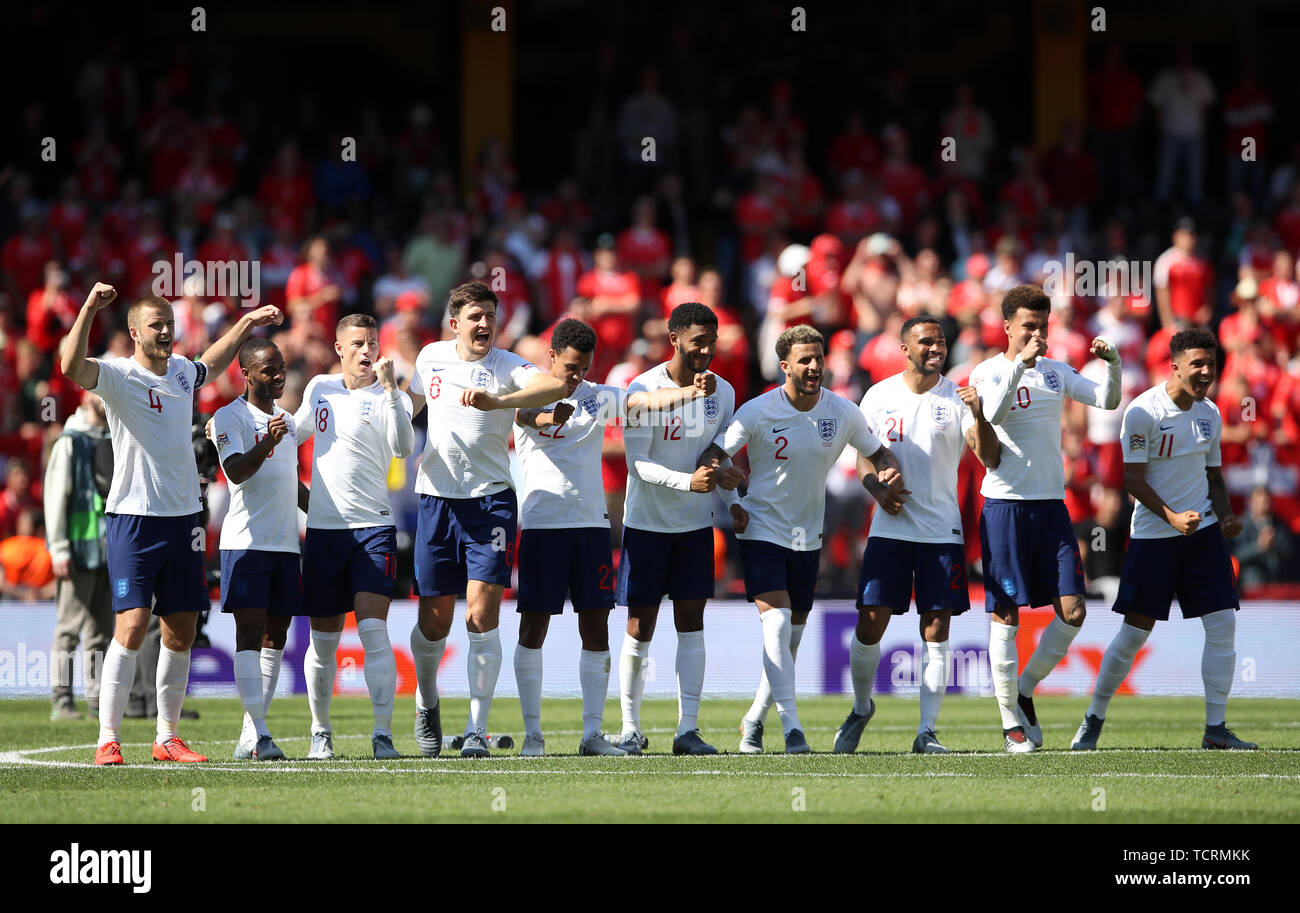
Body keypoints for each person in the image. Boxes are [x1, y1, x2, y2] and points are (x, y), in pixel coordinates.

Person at [60, 282, 282, 765]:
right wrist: (89, 309)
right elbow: (70, 366)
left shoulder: (182, 373)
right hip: (133, 519)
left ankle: (166, 737)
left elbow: (213, 363)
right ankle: (107, 738)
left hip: (183, 519)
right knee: (133, 625)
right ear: (135, 333)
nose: (165, 331)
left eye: (169, 324)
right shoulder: (117, 375)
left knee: (180, 628)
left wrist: (245, 324)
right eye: (155, 326)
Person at [511, 317, 715, 757]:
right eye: (569, 367)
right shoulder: (530, 394)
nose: (576, 376)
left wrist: (690, 394)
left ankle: (590, 735)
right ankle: (532, 736)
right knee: (533, 626)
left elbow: (646, 401)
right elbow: (526, 416)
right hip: (544, 525)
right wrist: (549, 412)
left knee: (597, 628)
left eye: (584, 367)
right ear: (552, 358)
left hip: (591, 527)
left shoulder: (599, 398)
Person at [701, 325, 901, 753]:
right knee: (775, 625)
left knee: (788, 640)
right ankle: (792, 729)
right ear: (784, 365)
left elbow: (876, 450)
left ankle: (753, 719)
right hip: (760, 529)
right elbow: (714, 458)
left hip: (808, 537)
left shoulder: (842, 412)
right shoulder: (757, 411)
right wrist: (733, 499)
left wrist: (884, 472)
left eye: (818, 358)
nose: (814, 366)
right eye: (804, 360)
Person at [403, 282, 568, 759]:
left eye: (490, 316)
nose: (484, 325)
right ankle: (427, 701)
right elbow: (410, 408)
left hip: (491, 502)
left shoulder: (506, 365)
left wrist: (498, 402)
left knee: (480, 615)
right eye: (475, 316)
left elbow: (554, 384)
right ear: (454, 323)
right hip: (435, 500)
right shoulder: (431, 357)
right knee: (434, 622)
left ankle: (476, 728)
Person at [1073, 328, 1257, 751]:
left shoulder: (1210, 413)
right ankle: (1094, 715)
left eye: (1211, 364)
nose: (1206, 371)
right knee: (1135, 634)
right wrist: (1172, 516)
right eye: (1198, 364)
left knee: (1223, 625)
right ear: (1174, 366)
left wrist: (1225, 516)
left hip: (1203, 534)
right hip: (1155, 536)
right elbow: (1131, 480)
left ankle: (1215, 729)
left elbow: (1213, 476)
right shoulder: (1143, 413)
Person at [834, 316, 1001, 755]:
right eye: (926, 341)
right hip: (889, 528)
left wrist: (980, 416)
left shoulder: (959, 397)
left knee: (936, 627)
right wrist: (876, 490)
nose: (935, 348)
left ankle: (927, 731)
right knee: (871, 623)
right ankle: (860, 706)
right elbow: (864, 458)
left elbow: (989, 455)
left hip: (941, 531)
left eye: (941, 341)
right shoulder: (878, 395)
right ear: (904, 348)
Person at [970, 284, 1121, 752]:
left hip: (1051, 506)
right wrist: (1021, 364)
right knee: (1006, 613)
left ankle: (1025, 687)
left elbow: (1107, 401)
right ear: (1008, 327)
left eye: (1043, 325)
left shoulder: (1056, 372)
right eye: (1029, 326)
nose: (1037, 333)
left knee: (1073, 611)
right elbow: (990, 416)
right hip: (1004, 505)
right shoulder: (988, 371)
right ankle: (1010, 722)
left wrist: (1112, 365)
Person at [616, 302, 745, 756]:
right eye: (697, 343)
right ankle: (631, 729)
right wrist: (686, 482)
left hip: (695, 528)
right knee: (639, 625)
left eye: (712, 342)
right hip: (647, 525)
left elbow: (717, 455)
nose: (706, 351)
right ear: (674, 340)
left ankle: (687, 730)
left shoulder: (724, 392)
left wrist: (731, 497)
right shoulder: (640, 388)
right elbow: (637, 464)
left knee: (692, 623)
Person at [293, 313, 414, 760]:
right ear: (339, 348)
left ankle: (382, 735)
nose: (367, 351)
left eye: (373, 343)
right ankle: (320, 733)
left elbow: (403, 446)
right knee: (323, 642)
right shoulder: (319, 388)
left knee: (373, 631)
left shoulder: (389, 394)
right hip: (324, 531)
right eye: (358, 343)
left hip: (374, 529)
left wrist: (391, 390)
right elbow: (294, 431)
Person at [212, 339, 308, 760]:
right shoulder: (227, 417)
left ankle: (251, 736)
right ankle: (262, 734)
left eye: (282, 367)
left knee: (276, 637)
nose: (279, 375)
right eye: (269, 369)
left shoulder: (287, 419)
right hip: (246, 543)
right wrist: (266, 444)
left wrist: (325, 516)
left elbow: (292, 485)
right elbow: (235, 472)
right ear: (246, 374)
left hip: (286, 544)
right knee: (249, 635)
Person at [43, 390, 113, 721]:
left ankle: (97, 699)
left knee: (102, 631)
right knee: (69, 628)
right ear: (85, 399)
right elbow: (55, 496)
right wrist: (58, 547)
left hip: (107, 548)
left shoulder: (112, 436)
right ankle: (62, 698)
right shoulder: (69, 441)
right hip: (77, 547)